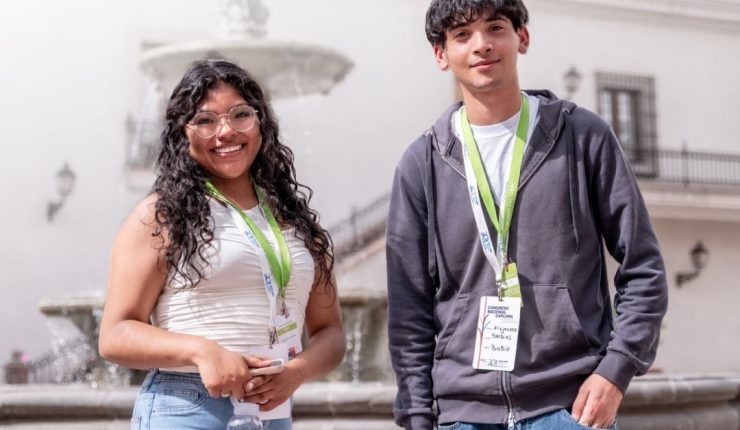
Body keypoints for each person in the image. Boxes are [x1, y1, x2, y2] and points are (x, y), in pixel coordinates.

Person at [385, 1, 668, 429]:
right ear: (441, 54)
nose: (481, 44)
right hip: (464, 415)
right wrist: (417, 418)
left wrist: (616, 369)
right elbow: (409, 310)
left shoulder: (583, 136)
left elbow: (643, 266)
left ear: (522, 37)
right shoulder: (421, 163)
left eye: (495, 28)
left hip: (571, 408)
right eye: (462, 35)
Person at [99, 59, 345, 430]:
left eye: (240, 115)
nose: (226, 131)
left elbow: (331, 332)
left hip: (273, 409)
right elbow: (114, 335)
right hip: (188, 405)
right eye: (205, 120)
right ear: (182, 134)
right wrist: (201, 351)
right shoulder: (160, 215)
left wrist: (297, 372)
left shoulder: (297, 220)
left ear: (261, 122)